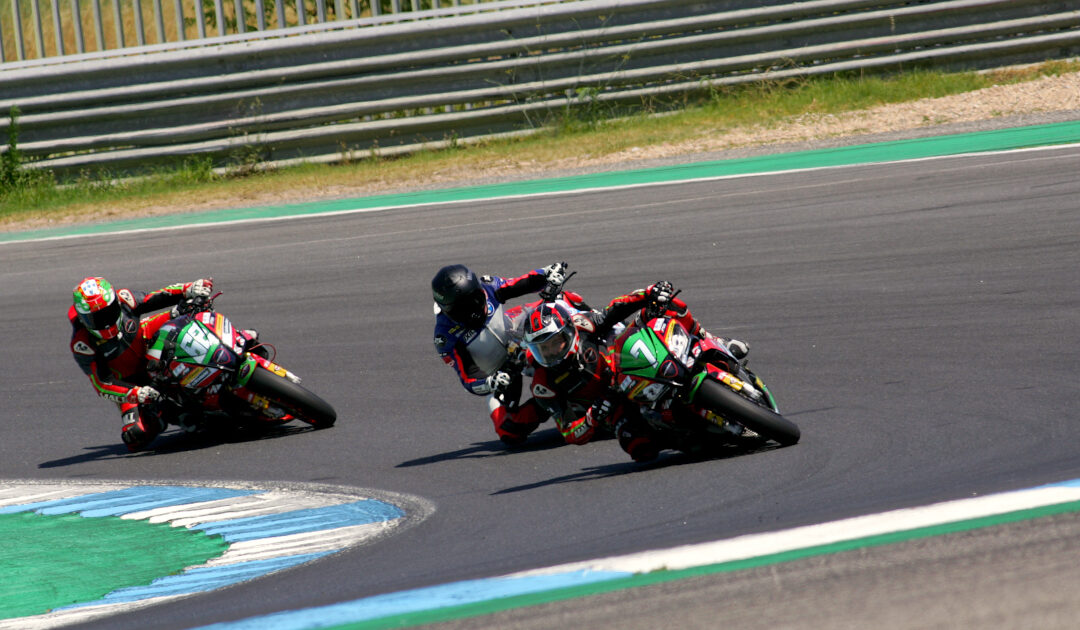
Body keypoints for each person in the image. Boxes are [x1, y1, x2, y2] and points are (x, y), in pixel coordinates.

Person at [526, 281, 748, 462]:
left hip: (629, 360)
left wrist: (650, 292)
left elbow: (615, 309)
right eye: (542, 349)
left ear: (568, 333)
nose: (550, 353)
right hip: (614, 402)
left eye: (555, 343)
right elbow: (569, 432)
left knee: (668, 305)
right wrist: (592, 417)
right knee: (640, 450)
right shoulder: (543, 384)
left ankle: (713, 341)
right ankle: (687, 437)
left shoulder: (582, 326)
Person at [432, 262, 583, 445]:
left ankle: (604, 335)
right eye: (462, 308)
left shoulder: (488, 287)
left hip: (516, 335)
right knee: (509, 431)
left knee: (560, 300)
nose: (473, 310)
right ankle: (552, 403)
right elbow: (468, 378)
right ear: (447, 310)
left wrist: (548, 273)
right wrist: (491, 382)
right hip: (500, 374)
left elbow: (521, 283)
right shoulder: (445, 337)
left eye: (476, 299)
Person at [69, 276, 215, 452]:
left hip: (146, 341)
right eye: (97, 318)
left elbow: (157, 296)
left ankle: (236, 341)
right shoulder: (82, 344)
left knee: (190, 309)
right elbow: (102, 384)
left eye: (108, 313)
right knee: (135, 436)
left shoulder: (125, 299)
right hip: (131, 384)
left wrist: (190, 288)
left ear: (115, 302)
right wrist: (136, 393)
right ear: (83, 318)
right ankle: (164, 413)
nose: (106, 322)